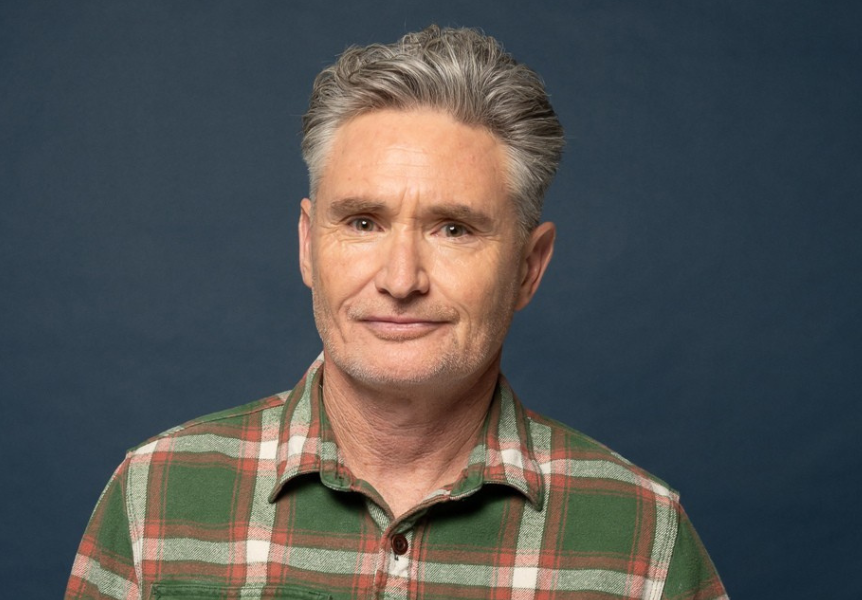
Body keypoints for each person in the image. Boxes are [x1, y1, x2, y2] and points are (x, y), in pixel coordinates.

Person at [66, 25, 726, 600]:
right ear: (307, 245)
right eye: (362, 222)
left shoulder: (643, 540)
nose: (400, 279)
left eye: (453, 229)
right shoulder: (154, 500)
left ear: (529, 266)